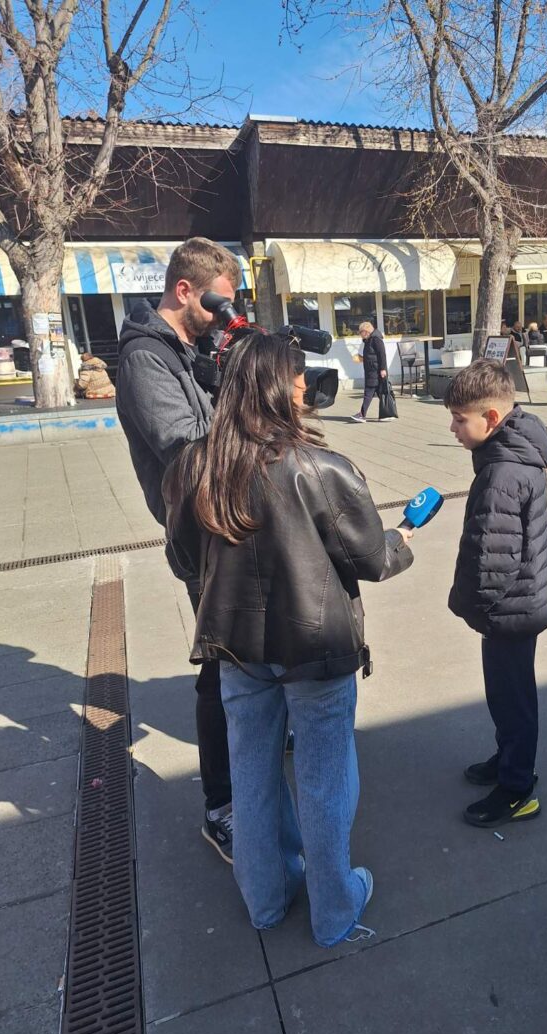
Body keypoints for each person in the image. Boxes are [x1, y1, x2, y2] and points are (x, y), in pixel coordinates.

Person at [163, 332, 414, 947]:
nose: (306, 391)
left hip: (236, 649)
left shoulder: (195, 466)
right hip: (315, 650)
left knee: (251, 777)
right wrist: (401, 540)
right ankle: (334, 911)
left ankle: (266, 900)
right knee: (325, 780)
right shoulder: (321, 468)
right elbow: (372, 559)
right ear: (278, 388)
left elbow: (183, 559)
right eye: (300, 381)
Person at [115, 237, 242, 863]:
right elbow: (185, 446)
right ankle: (222, 807)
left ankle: (257, 738)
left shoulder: (187, 351)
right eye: (218, 303)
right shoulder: (146, 357)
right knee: (221, 664)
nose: (224, 315)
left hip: (227, 518)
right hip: (198, 530)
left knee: (248, 652)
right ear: (184, 290)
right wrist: (250, 421)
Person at [443, 361, 547, 827]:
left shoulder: (501, 475)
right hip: (523, 601)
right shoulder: (515, 453)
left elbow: (493, 557)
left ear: (491, 418)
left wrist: (471, 606)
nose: (453, 429)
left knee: (511, 699)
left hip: (510, 608)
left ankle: (517, 789)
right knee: (510, 694)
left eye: (459, 419)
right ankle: (509, 757)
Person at [350, 320, 388, 422]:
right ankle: (388, 413)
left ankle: (362, 414)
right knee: (379, 392)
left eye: (360, 332)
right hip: (372, 369)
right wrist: (362, 358)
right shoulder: (369, 340)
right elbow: (371, 355)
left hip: (375, 370)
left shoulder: (376, 339)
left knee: (369, 391)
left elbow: (382, 355)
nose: (360, 335)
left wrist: (383, 369)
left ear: (366, 331)